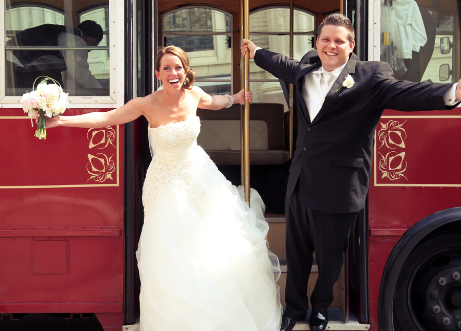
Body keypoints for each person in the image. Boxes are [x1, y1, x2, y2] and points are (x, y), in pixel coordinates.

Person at [240, 13, 461, 331]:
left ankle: (320, 309)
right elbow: (283, 65)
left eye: (339, 41)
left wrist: (454, 91)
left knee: (330, 259)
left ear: (351, 44)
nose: (331, 46)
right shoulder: (306, 66)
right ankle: (294, 309)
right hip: (301, 181)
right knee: (298, 251)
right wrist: (257, 51)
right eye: (325, 39)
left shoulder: (371, 76)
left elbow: (407, 93)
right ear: (317, 42)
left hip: (340, 186)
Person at [42, 45, 282, 331]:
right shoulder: (145, 103)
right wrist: (62, 121)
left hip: (201, 174)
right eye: (166, 68)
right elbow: (107, 118)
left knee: (212, 243)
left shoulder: (194, 94)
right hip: (166, 183)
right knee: (172, 249)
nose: (173, 73)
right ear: (157, 73)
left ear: (185, 71)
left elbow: (214, 101)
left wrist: (237, 98)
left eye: (178, 67)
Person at [7, 20, 104, 90]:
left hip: (15, 58)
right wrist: (101, 91)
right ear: (93, 40)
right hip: (15, 61)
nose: (88, 51)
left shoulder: (65, 35)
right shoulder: (76, 41)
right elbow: (79, 73)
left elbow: (51, 70)